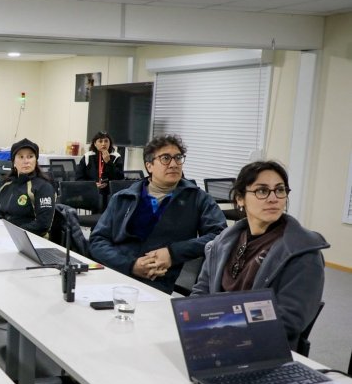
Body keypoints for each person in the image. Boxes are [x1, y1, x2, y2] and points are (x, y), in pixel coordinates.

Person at [192, 160, 328, 349]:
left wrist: (221, 332)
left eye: (279, 190)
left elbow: (287, 321)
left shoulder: (302, 252)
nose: (273, 198)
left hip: (263, 350)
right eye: (262, 191)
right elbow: (200, 293)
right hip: (214, 342)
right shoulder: (222, 242)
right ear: (240, 198)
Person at [89, 134, 226, 294]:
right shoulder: (124, 197)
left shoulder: (197, 198)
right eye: (166, 158)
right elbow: (98, 241)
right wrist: (131, 265)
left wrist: (173, 253)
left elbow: (220, 236)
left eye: (178, 158)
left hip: (159, 283)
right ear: (149, 166)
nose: (174, 164)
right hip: (116, 275)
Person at [0, 138, 55, 238]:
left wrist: (13, 232)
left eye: (30, 156)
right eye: (21, 157)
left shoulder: (43, 187)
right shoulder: (6, 184)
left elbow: (43, 225)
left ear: (35, 160)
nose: (26, 161)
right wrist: (2, 228)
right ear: (14, 162)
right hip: (5, 236)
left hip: (32, 240)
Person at [75, 130, 124, 207]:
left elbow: (120, 178)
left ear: (110, 143)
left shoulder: (116, 156)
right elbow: (78, 178)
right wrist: (92, 185)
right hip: (91, 192)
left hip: (110, 193)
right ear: (95, 144)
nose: (103, 144)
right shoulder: (87, 157)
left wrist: (108, 162)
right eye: (100, 141)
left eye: (106, 141)